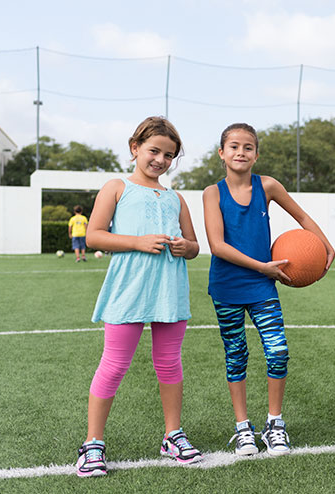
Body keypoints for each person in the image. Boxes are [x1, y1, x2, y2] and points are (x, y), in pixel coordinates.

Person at [76, 116, 202, 477]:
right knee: (114, 365)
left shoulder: (176, 198)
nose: (160, 160)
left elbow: (194, 246)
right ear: (135, 148)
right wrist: (137, 242)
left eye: (169, 155)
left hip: (169, 290)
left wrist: (185, 247)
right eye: (154, 150)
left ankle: (172, 435)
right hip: (128, 289)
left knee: (169, 363)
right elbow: (95, 237)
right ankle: (93, 443)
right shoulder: (116, 187)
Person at [203, 123, 335, 457]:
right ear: (222, 153)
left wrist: (324, 244)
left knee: (278, 352)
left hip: (263, 287)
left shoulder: (269, 186)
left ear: (256, 154)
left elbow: (302, 216)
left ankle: (274, 424)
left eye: (248, 147)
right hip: (228, 286)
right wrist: (262, 266)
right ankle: (243, 428)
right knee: (237, 356)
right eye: (234, 146)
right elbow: (217, 245)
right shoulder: (212, 193)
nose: (241, 152)